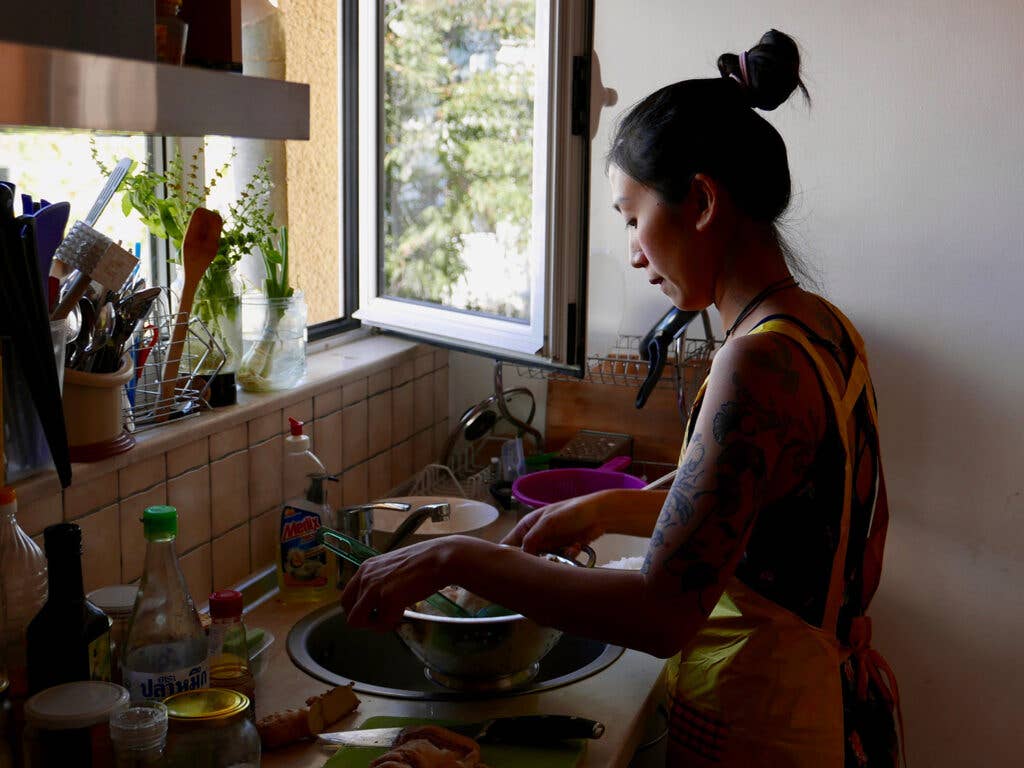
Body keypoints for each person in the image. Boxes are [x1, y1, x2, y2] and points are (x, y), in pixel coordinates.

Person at [342, 29, 900, 768]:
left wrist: (455, 557)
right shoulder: (817, 328)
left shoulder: (754, 365)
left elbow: (660, 614)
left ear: (700, 201)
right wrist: (597, 507)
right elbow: (739, 509)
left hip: (770, 731)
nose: (634, 251)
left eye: (632, 217)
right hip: (823, 702)